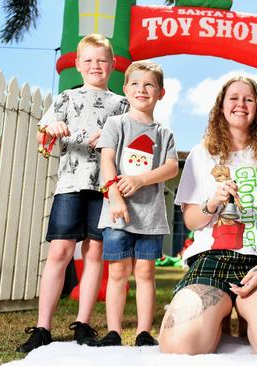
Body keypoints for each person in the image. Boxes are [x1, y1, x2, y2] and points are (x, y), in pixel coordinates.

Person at [158, 76, 257, 355]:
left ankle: (249, 315)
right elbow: (191, 221)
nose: (241, 104)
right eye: (234, 98)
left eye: (249, 99)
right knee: (178, 344)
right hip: (210, 261)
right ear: (221, 107)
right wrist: (213, 202)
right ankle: (219, 318)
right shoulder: (201, 154)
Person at [17, 33, 128, 353]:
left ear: (113, 65)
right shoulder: (66, 98)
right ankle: (43, 327)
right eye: (89, 61)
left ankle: (83, 322)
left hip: (104, 188)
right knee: (60, 252)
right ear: (78, 65)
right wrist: (50, 129)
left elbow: (129, 144)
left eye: (102, 61)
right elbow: (45, 130)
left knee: (94, 254)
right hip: (69, 185)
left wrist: (110, 141)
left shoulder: (121, 104)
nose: (96, 66)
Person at [93, 60, 178, 347]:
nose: (142, 89)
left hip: (151, 217)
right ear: (126, 89)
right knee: (118, 271)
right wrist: (114, 194)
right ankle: (114, 331)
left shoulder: (164, 133)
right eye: (136, 84)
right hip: (118, 213)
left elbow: (170, 168)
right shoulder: (116, 124)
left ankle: (143, 331)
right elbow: (106, 160)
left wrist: (141, 180)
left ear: (160, 93)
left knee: (145, 272)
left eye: (149, 84)